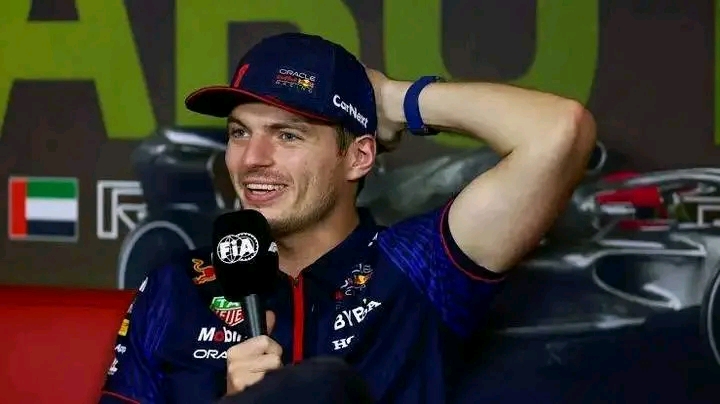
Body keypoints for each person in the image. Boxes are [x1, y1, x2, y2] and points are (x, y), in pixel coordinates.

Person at [99, 32, 595, 403]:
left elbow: (560, 132)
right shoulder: (179, 285)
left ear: (359, 157)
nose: (252, 159)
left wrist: (394, 100)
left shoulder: (416, 267)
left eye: (288, 135)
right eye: (239, 133)